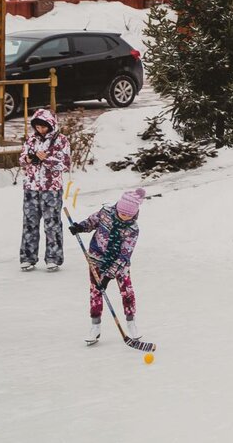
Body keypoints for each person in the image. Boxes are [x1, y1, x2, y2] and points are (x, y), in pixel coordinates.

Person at [70, 188, 145, 345]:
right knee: (95, 290)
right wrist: (80, 227)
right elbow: (92, 222)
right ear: (117, 207)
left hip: (119, 264)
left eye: (128, 215)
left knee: (127, 291)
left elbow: (124, 255)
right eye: (122, 213)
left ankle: (131, 323)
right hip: (96, 257)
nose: (124, 217)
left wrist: (109, 277)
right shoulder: (106, 212)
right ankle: (95, 326)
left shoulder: (132, 230)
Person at [18, 108, 71, 272]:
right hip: (31, 187)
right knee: (29, 223)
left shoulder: (61, 141)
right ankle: (28, 257)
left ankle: (53, 257)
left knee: (52, 223)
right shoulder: (31, 140)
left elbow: (65, 164)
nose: (40, 130)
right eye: (38, 127)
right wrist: (27, 159)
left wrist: (46, 158)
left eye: (44, 127)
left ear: (51, 125)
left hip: (51, 189)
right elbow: (22, 158)